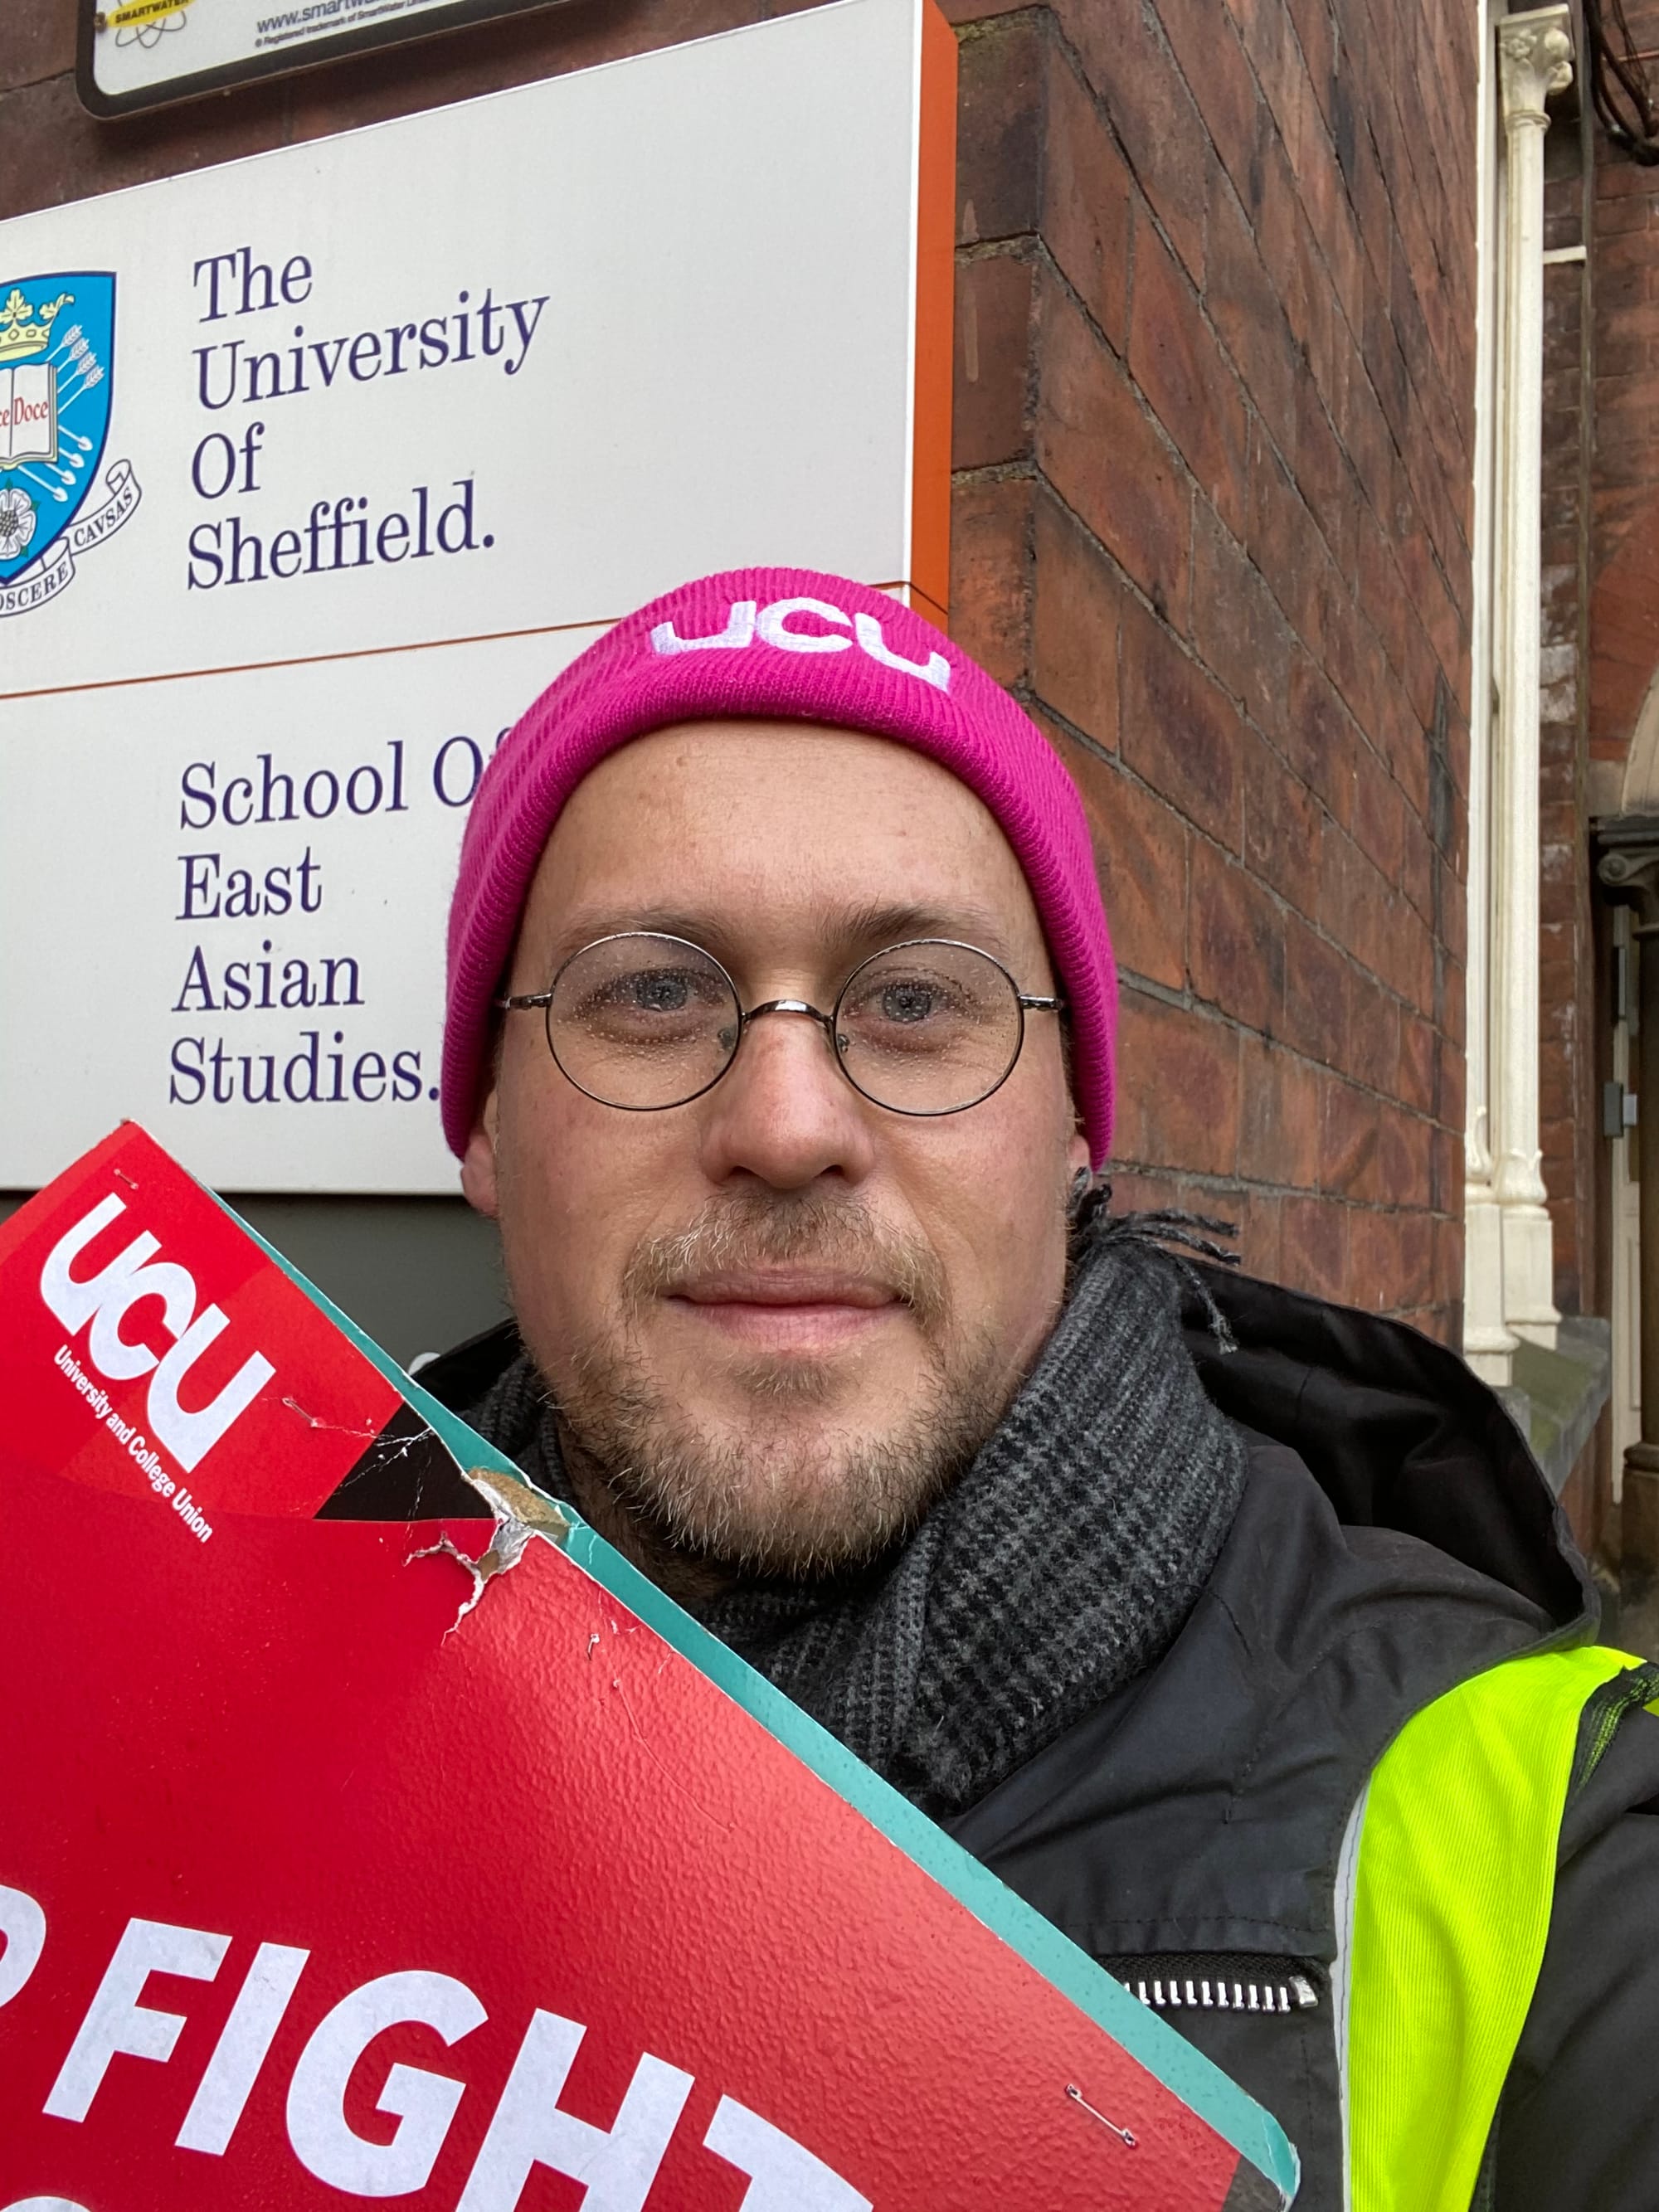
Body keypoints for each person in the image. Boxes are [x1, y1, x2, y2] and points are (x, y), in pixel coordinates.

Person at [418, 566, 1659, 2209]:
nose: (789, 1123)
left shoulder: (1546, 1843)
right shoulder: (199, 1645)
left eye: (916, 1000)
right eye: (654, 991)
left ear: (1075, 1128)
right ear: (486, 1122)